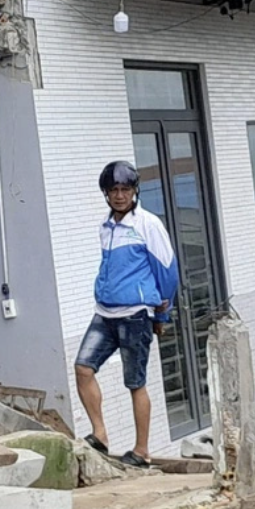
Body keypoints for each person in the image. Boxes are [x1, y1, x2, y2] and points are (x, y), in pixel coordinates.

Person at [73, 159, 177, 466]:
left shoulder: (148, 224)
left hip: (135, 314)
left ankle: (142, 451)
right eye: (113, 190)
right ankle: (100, 434)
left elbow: (167, 272)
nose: (120, 195)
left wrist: (161, 317)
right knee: (83, 368)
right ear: (106, 193)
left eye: (125, 189)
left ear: (135, 191)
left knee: (135, 383)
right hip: (104, 313)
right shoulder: (106, 227)